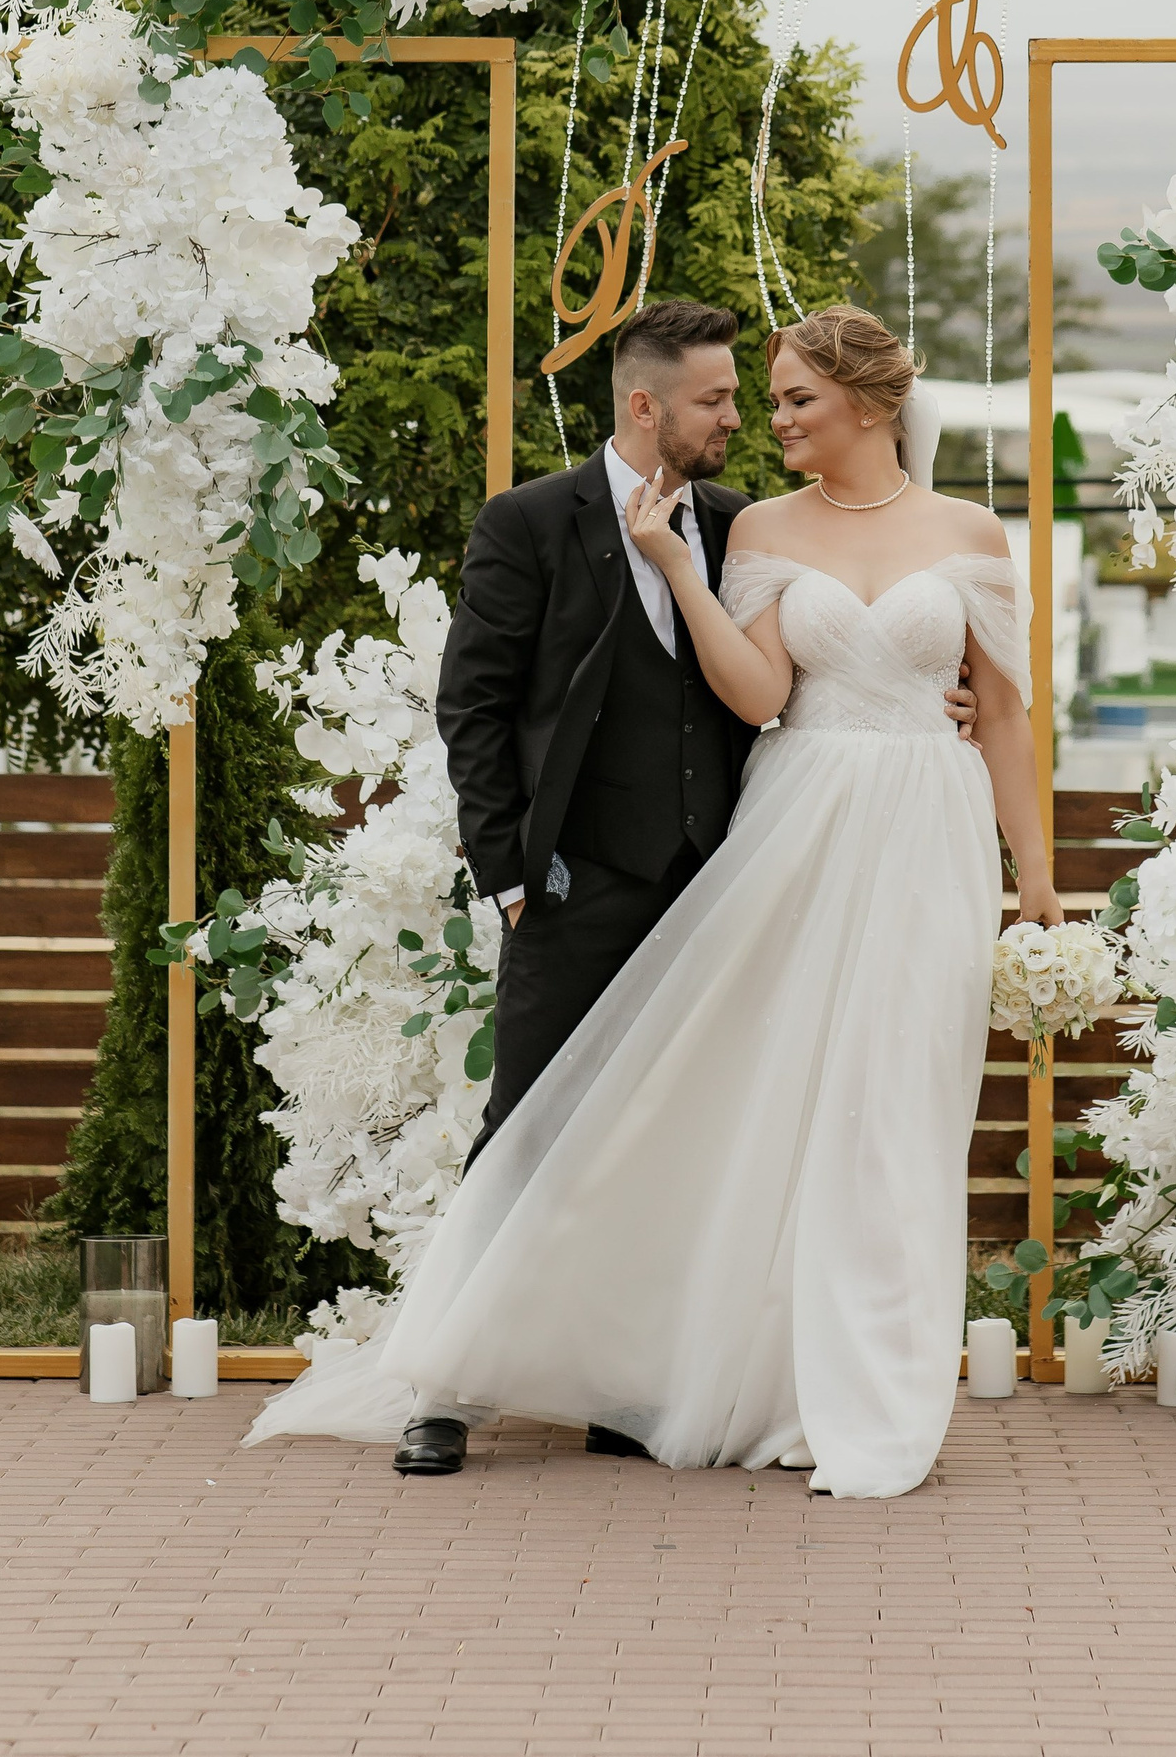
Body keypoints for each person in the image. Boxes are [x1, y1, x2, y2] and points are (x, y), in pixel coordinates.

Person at [247, 303, 1062, 1500]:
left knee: (740, 1131)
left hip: (751, 864)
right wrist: (509, 876)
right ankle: (448, 1391)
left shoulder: (753, 519)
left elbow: (958, 701)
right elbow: (481, 704)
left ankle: (641, 1384)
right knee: (534, 1120)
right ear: (647, 404)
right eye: (728, 400)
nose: (752, 418)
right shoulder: (549, 521)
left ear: (867, 401)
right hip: (602, 878)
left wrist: (1005, 830)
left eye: (775, 397)